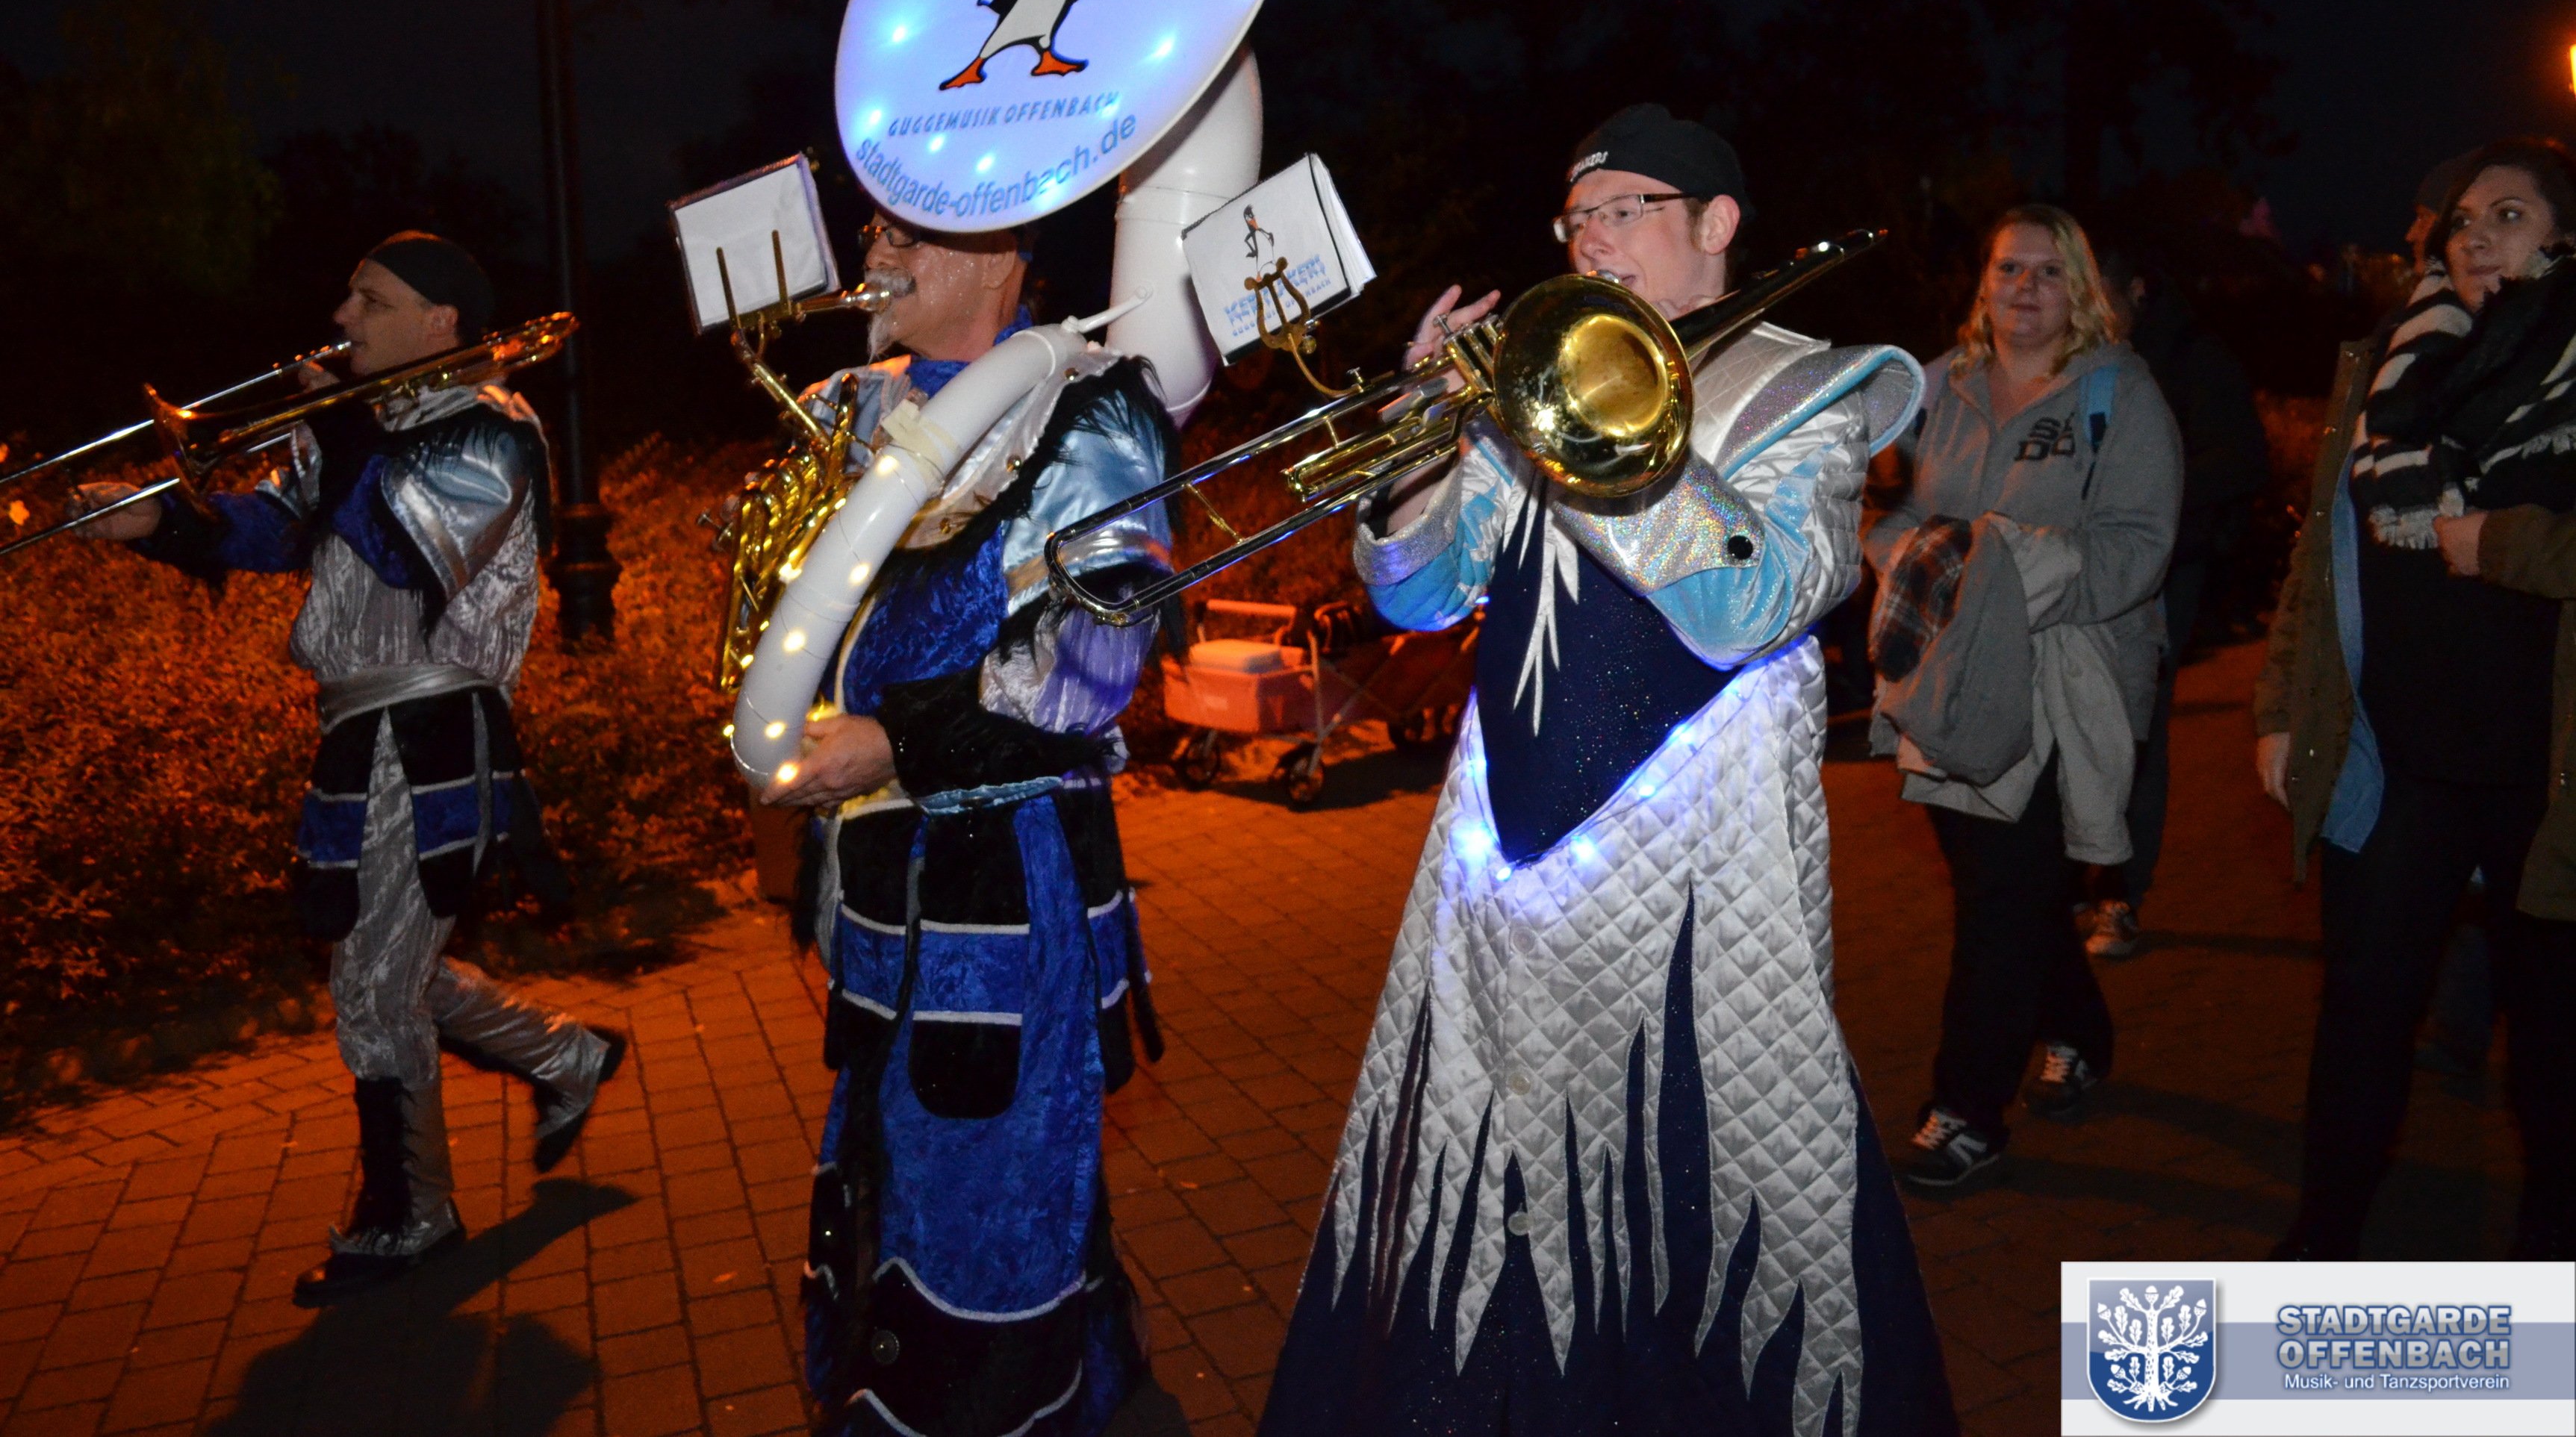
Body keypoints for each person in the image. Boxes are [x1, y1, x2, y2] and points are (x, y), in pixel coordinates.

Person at [1260, 105, 1956, 1435]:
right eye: (1574, 219)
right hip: (1502, 878)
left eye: (1622, 210)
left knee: (1703, 1180)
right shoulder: (1534, 380)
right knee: (1482, 1183)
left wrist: (1587, 428)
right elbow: (1416, 595)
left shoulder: (1805, 388)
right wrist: (1418, 439)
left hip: (1697, 876)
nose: (1588, 240)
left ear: (1716, 223)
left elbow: (1754, 605)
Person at [73, 233, 623, 1304]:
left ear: (439, 323)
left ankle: (410, 1215)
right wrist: (158, 521)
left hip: (434, 725)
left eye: (370, 299)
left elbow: (397, 543)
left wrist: (338, 420)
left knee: (375, 978)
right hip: (357, 724)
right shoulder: (365, 422)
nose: (342, 314)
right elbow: (282, 525)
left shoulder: (493, 427)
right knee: (387, 962)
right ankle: (565, 1057)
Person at [770, 213, 1175, 1435]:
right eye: (874, 224)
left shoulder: (1092, 408)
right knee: (904, 1189)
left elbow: (1095, 664)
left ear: (999, 253)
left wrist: (891, 740)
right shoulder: (847, 406)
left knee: (989, 1205)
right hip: (877, 887)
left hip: (1009, 889)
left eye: (909, 230)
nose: (873, 252)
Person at [2253, 137, 2576, 1259]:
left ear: (2565, 239)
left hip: (2549, 771)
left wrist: (2505, 544)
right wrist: (2281, 703)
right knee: (2362, 1012)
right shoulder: (2389, 361)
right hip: (2397, 761)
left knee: (2553, 1041)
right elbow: (2322, 553)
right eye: (2464, 220)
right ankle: (2322, 1236)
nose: (2478, 235)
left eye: (2511, 215)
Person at [1864, 205, 2181, 1192]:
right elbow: (1883, 509)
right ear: (1984, 281)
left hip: (2061, 679)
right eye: (2009, 268)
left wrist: (2002, 571)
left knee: (2001, 896)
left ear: (2080, 287)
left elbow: (2137, 548)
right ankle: (2079, 1028)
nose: (2025, 288)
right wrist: (1929, 563)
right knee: (2010, 888)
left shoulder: (2119, 393)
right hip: (1949, 674)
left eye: (2048, 271)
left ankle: (1966, 1110)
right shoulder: (1932, 387)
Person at [2074, 243, 2267, 957]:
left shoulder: (2190, 358)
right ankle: (2071, 875)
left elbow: (2241, 458)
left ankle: (2119, 892)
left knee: (2136, 729)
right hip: (2080, 567)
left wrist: (2147, 489)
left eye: (2098, 292)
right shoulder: (2073, 360)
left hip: (2163, 572)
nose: (2086, 308)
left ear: (2138, 289)